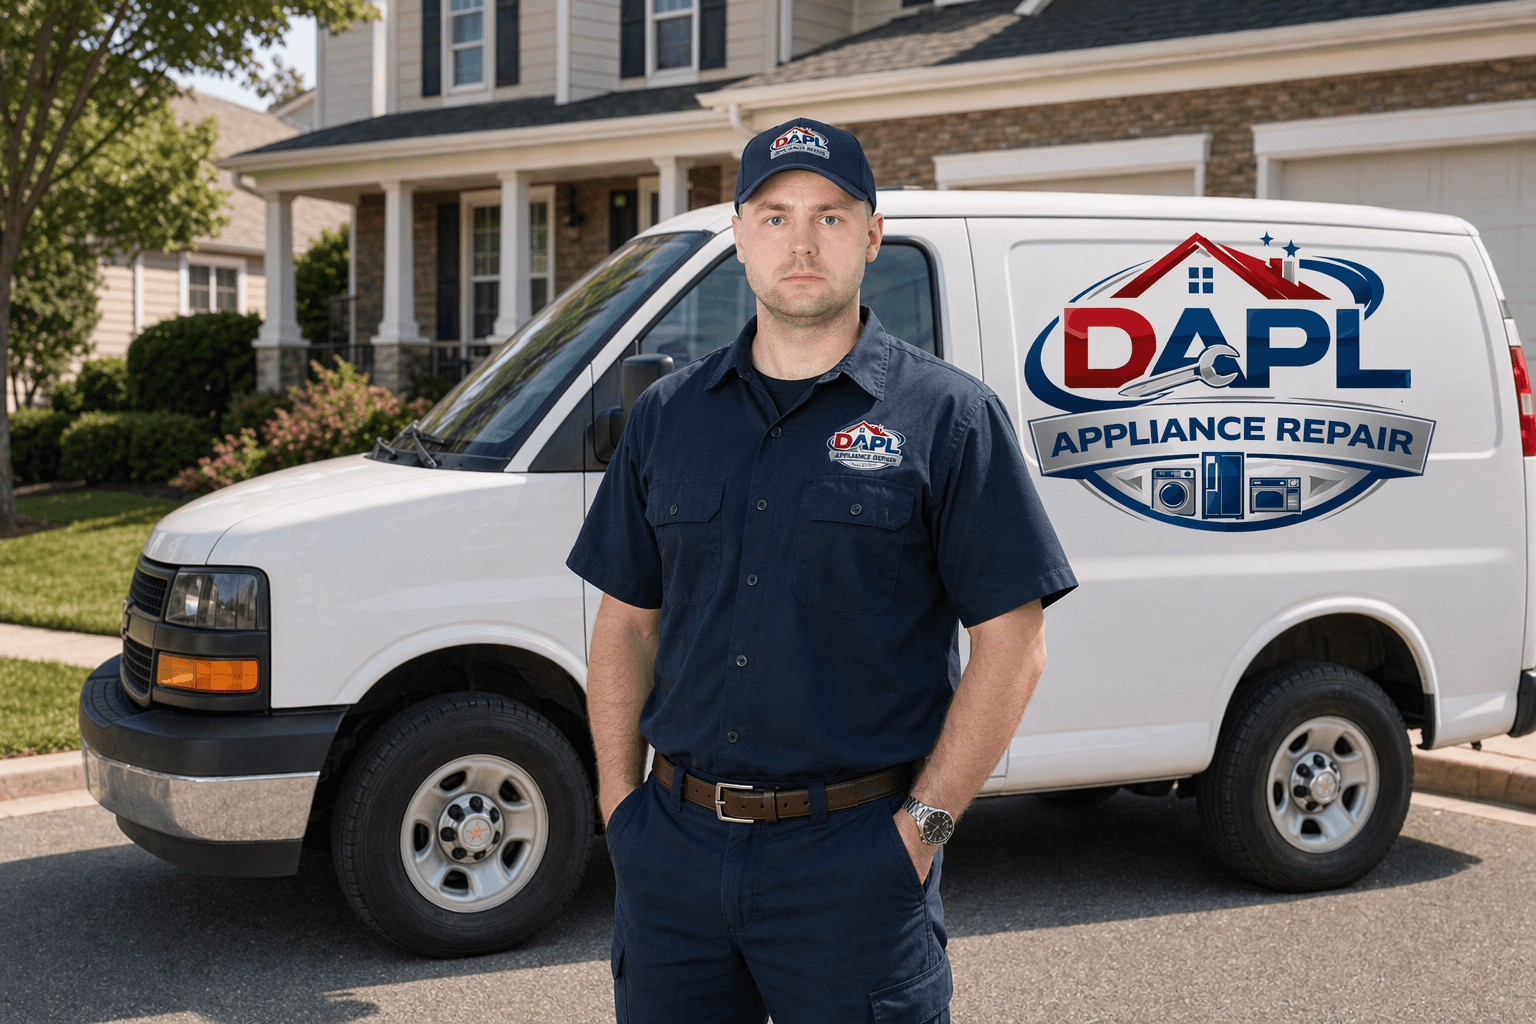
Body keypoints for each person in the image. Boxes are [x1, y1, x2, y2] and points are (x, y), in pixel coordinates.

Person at [566, 117, 1076, 1024]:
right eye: (773, 215)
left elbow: (1015, 643)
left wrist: (919, 832)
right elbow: (625, 623)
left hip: (856, 867)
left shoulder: (950, 418)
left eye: (831, 216)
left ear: (873, 237)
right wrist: (619, 811)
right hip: (672, 861)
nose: (800, 242)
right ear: (737, 236)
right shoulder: (668, 418)